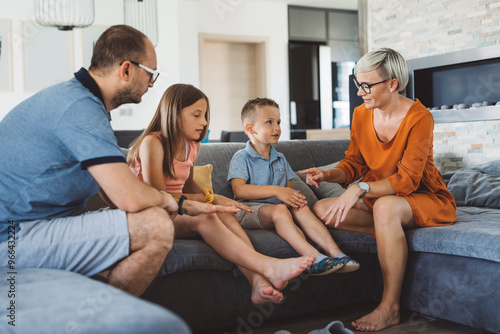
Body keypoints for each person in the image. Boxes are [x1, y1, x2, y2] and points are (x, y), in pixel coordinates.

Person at [0, 25, 237, 300]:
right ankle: (104, 322)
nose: (151, 84)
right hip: (14, 239)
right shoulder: (79, 109)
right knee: (155, 226)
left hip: (37, 227)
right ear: (126, 70)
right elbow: (130, 197)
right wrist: (176, 202)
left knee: (141, 224)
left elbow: (109, 185)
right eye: (151, 74)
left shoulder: (81, 102)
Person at [301, 48, 457, 331]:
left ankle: (390, 307)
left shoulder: (419, 117)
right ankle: (391, 231)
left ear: (393, 84)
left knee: (385, 207)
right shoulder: (362, 114)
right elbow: (353, 163)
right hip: (382, 196)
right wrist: (327, 174)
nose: (360, 93)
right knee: (324, 209)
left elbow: (408, 180)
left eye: (366, 85)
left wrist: (359, 189)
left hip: (423, 197)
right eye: (357, 84)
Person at [127, 84, 315, 304]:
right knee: (208, 215)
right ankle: (266, 266)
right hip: (151, 215)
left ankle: (257, 281)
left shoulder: (192, 146)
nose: (204, 122)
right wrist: (212, 199)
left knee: (227, 213)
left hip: (178, 211)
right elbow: (158, 196)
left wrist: (214, 201)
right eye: (197, 115)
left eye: (205, 115)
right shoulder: (153, 142)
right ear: (174, 114)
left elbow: (188, 188)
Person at [228, 98, 360, 276]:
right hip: (248, 211)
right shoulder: (241, 157)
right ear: (250, 128)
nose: (277, 127)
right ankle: (314, 258)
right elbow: (239, 190)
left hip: (277, 209)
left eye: (278, 122)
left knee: (300, 207)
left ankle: (337, 254)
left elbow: (288, 191)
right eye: (269, 122)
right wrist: (276, 191)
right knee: (281, 210)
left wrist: (295, 199)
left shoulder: (280, 158)